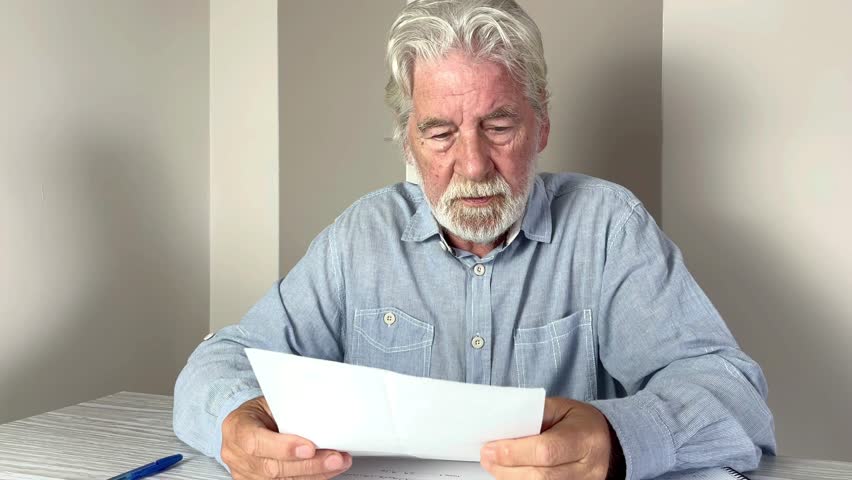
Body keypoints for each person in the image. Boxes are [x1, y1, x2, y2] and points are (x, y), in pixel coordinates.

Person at [173, 1, 776, 479]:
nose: (473, 164)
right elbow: (219, 361)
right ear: (407, 141)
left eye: (499, 125)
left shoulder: (608, 228)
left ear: (541, 125)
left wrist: (617, 440)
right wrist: (234, 423)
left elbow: (735, 397)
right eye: (440, 132)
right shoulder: (359, 239)